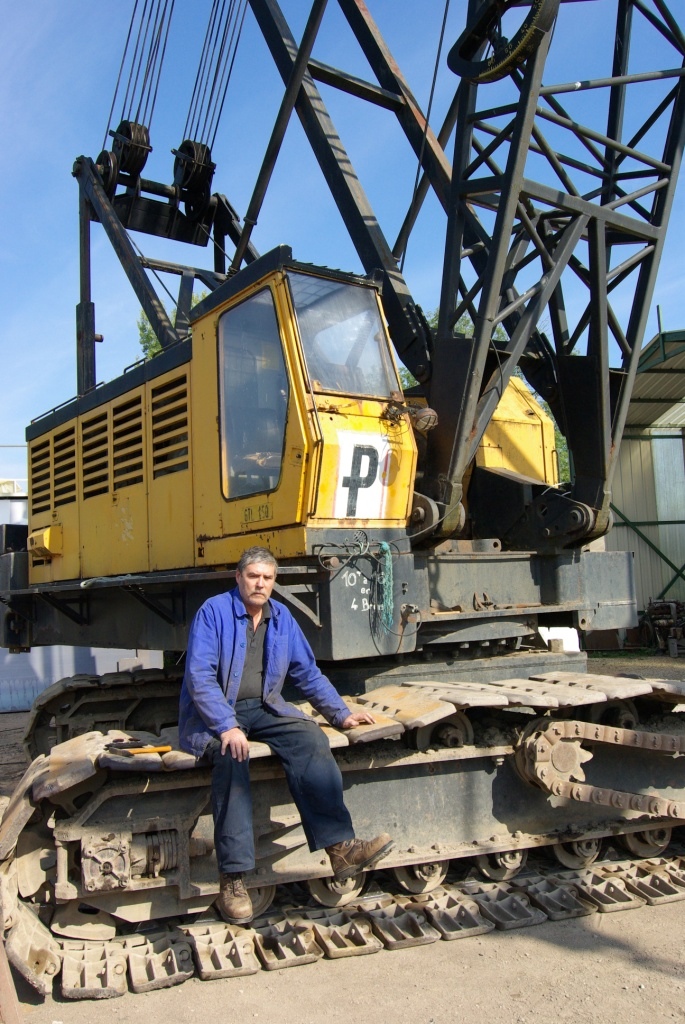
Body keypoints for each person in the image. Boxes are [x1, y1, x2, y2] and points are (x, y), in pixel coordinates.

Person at [179, 545, 393, 924]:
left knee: (311, 739)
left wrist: (340, 714)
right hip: (214, 715)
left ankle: (340, 848)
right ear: (238, 578)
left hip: (264, 707)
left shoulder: (282, 618)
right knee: (232, 758)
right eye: (253, 576)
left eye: (267, 578)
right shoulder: (213, 612)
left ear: (274, 582)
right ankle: (234, 879)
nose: (260, 584)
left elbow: (307, 673)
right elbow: (199, 676)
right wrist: (226, 726)